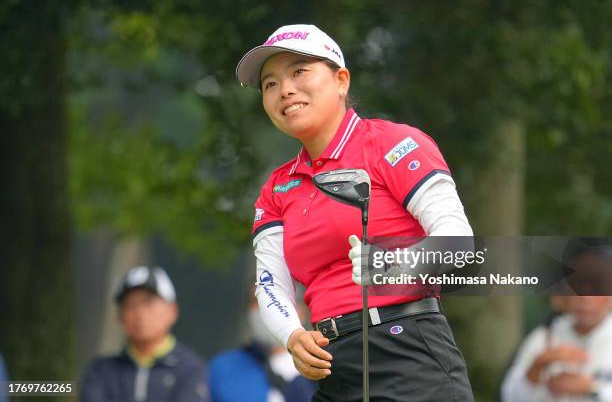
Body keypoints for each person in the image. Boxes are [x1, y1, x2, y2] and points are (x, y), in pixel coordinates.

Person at [236, 24, 474, 401]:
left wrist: (394, 268)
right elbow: (269, 283)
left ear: (341, 80)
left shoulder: (392, 143)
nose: (285, 90)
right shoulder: (275, 189)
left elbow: (457, 238)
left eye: (299, 71)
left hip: (409, 351)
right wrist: (293, 336)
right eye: (270, 84)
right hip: (333, 367)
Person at [80, 266, 209, 402]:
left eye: (149, 303)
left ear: (172, 311)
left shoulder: (191, 369)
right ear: (119, 317)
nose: (140, 314)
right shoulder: (101, 371)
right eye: (131, 305)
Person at [209, 292, 316, 402]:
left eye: (275, 301)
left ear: (301, 313)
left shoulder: (321, 366)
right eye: (257, 301)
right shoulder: (224, 368)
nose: (265, 309)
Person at [501, 296, 612, 401]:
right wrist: (537, 366)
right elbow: (510, 397)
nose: (585, 298)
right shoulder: (545, 336)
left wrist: (592, 388)